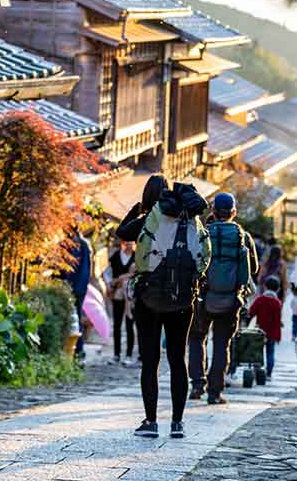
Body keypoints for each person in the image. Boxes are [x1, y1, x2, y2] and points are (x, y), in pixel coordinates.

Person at [129, 181, 211, 440]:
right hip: (183, 299)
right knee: (178, 360)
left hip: (149, 297)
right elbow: (202, 256)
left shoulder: (151, 218)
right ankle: (177, 423)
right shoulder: (190, 218)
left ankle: (151, 422)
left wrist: (138, 210)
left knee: (150, 361)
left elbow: (123, 232)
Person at [188, 193, 258, 405]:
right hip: (230, 299)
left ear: (213, 211)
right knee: (222, 344)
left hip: (203, 297)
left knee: (197, 338)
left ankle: (197, 384)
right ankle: (215, 391)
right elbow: (253, 268)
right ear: (233, 212)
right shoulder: (242, 236)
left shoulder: (203, 233)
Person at [61, 226, 93, 361]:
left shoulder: (83, 245)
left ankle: (78, 351)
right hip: (68, 286)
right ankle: (72, 350)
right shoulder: (65, 244)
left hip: (77, 288)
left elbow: (85, 271)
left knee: (76, 317)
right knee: (71, 318)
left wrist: (77, 289)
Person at [102, 240, 136, 364]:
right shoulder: (116, 256)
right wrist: (110, 283)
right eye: (127, 243)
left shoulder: (136, 256)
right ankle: (116, 354)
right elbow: (106, 273)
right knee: (117, 325)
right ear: (123, 243)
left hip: (130, 295)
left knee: (129, 324)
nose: (129, 245)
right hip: (117, 294)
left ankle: (129, 355)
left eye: (131, 243)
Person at [248, 276, 283, 379]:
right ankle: (269, 372)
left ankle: (257, 370)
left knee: (257, 351)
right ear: (278, 289)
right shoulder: (277, 303)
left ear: (265, 286)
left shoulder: (260, 300)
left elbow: (251, 312)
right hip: (272, 333)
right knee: (270, 352)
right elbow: (277, 321)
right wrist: (278, 336)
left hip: (259, 331)